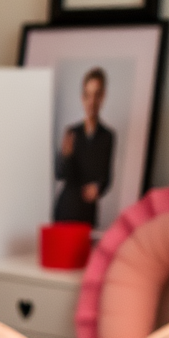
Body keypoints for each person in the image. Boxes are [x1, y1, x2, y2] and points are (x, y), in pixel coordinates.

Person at [53, 68, 115, 225]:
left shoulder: (107, 136)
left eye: (96, 95)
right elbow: (60, 174)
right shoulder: (72, 132)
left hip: (88, 212)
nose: (92, 101)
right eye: (88, 95)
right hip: (66, 209)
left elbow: (106, 178)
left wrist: (98, 188)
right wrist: (65, 156)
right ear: (82, 98)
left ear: (102, 97)